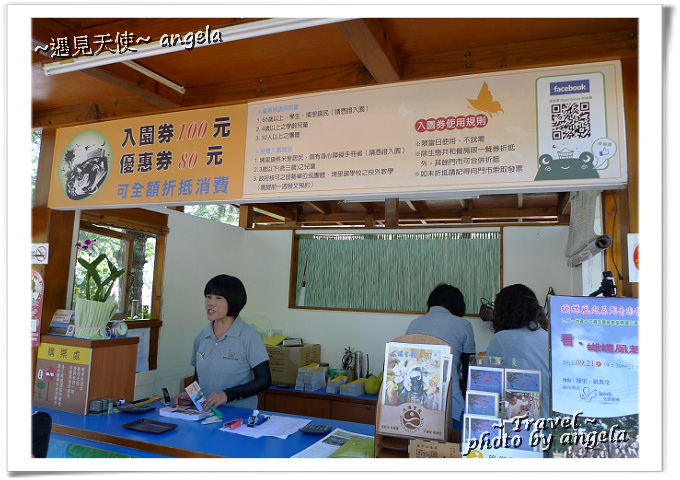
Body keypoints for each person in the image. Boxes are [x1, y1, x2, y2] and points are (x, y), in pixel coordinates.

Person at [173, 274, 271, 411]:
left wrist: (228, 394)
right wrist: (192, 395)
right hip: (206, 414)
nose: (210, 303)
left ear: (233, 302)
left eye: (218, 298)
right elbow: (198, 376)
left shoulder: (250, 337)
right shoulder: (202, 336)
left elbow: (264, 380)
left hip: (239, 415)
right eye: (208, 297)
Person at [405, 283, 476, 430]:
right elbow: (470, 372)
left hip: (412, 407)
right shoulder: (463, 325)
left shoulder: (414, 324)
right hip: (450, 408)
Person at [485, 283, 550, 420]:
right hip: (551, 424)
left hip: (517, 427)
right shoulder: (549, 338)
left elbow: (487, 384)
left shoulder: (501, 339)